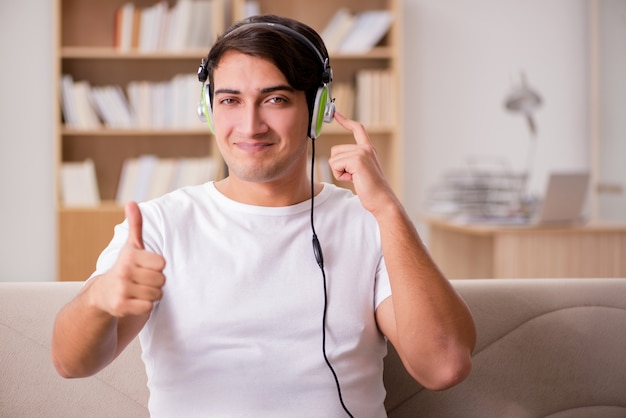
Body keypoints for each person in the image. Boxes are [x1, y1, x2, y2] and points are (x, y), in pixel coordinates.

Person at [52, 14, 476, 418]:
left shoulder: (371, 223)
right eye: (230, 100)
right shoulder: (158, 225)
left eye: (275, 99)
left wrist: (387, 207)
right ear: (208, 109)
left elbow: (443, 366)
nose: (250, 125)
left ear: (318, 109)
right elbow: (69, 364)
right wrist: (99, 297)